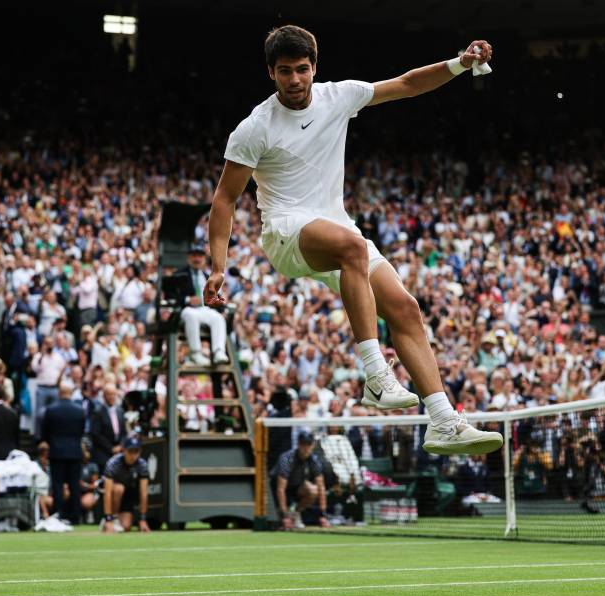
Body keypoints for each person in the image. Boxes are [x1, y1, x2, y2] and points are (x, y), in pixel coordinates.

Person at [203, 25, 502, 455]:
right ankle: (376, 374)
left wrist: (460, 63)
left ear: (314, 68)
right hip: (286, 231)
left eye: (302, 69)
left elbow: (406, 84)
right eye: (284, 71)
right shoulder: (255, 127)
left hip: (337, 229)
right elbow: (224, 200)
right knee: (352, 247)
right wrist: (218, 267)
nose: (294, 80)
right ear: (271, 72)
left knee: (405, 307)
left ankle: (442, 422)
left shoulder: (337, 96)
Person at [172, 245, 228, 366]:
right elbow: (170, 295)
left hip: (204, 309)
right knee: (191, 315)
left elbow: (216, 295)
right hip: (187, 310)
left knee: (218, 318)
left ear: (204, 259)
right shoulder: (178, 274)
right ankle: (195, 353)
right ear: (189, 258)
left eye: (200, 256)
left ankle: (219, 351)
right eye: (194, 256)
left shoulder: (207, 276)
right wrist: (187, 299)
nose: (197, 259)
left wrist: (223, 309)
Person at [41, 382, 85, 523]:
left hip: (57, 452)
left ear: (59, 393)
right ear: (70, 393)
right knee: (74, 485)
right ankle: (76, 516)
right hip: (74, 451)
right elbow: (81, 431)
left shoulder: (51, 410)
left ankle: (58, 514)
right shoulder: (80, 410)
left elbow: (45, 433)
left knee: (58, 485)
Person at [272, 431, 329, 529]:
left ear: (313, 445)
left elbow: (321, 487)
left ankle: (295, 513)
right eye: (303, 444)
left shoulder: (314, 460)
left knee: (313, 490)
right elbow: (280, 489)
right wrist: (284, 516)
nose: (306, 448)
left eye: (308, 445)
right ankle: (284, 514)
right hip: (276, 491)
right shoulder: (287, 459)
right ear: (298, 444)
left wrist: (323, 515)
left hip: (297, 488)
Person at [100, 435, 150, 534]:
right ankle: (110, 520)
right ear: (124, 450)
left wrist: (143, 519)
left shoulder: (142, 465)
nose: (133, 455)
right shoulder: (113, 463)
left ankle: (118, 520)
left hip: (128, 496)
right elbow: (108, 493)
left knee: (126, 527)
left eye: (136, 452)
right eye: (130, 451)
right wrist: (108, 519)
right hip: (113, 494)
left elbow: (144, 493)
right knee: (119, 488)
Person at [89, 383, 127, 469]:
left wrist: (121, 446)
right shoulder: (97, 412)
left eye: (113, 394)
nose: (111, 396)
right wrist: (111, 448)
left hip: (119, 452)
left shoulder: (120, 411)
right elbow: (96, 435)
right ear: (104, 396)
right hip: (103, 453)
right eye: (109, 394)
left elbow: (124, 432)